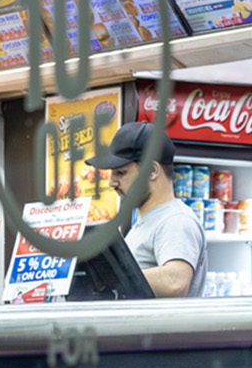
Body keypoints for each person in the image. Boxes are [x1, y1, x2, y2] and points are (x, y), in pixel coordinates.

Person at [87, 121, 207, 298]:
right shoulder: (147, 222)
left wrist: (111, 278)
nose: (112, 183)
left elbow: (175, 282)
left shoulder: (176, 220)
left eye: (121, 173)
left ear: (152, 171)